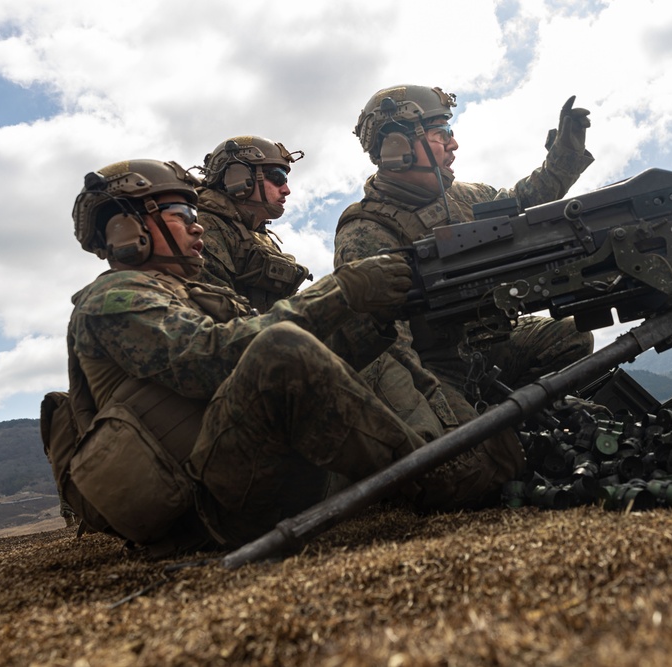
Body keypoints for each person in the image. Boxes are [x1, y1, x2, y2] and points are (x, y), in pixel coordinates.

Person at [48, 158, 523, 555]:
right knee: (283, 349)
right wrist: (343, 290)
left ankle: (469, 449)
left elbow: (301, 365)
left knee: (366, 340)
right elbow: (214, 361)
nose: (198, 225)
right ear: (126, 228)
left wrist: (375, 318)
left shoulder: (190, 291)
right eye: (178, 211)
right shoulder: (114, 298)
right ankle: (442, 481)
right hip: (204, 508)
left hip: (255, 475)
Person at [334, 84, 596, 439]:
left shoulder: (466, 196)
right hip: (437, 372)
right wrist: (443, 417)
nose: (453, 144)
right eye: (441, 134)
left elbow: (521, 206)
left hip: (489, 348)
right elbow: (392, 350)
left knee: (570, 337)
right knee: (481, 451)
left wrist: (563, 158)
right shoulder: (367, 229)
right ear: (398, 147)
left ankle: (524, 421)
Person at [195, 135, 311, 313]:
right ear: (239, 176)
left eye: (286, 180)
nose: (286, 190)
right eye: (277, 177)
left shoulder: (259, 236)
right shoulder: (204, 227)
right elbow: (216, 313)